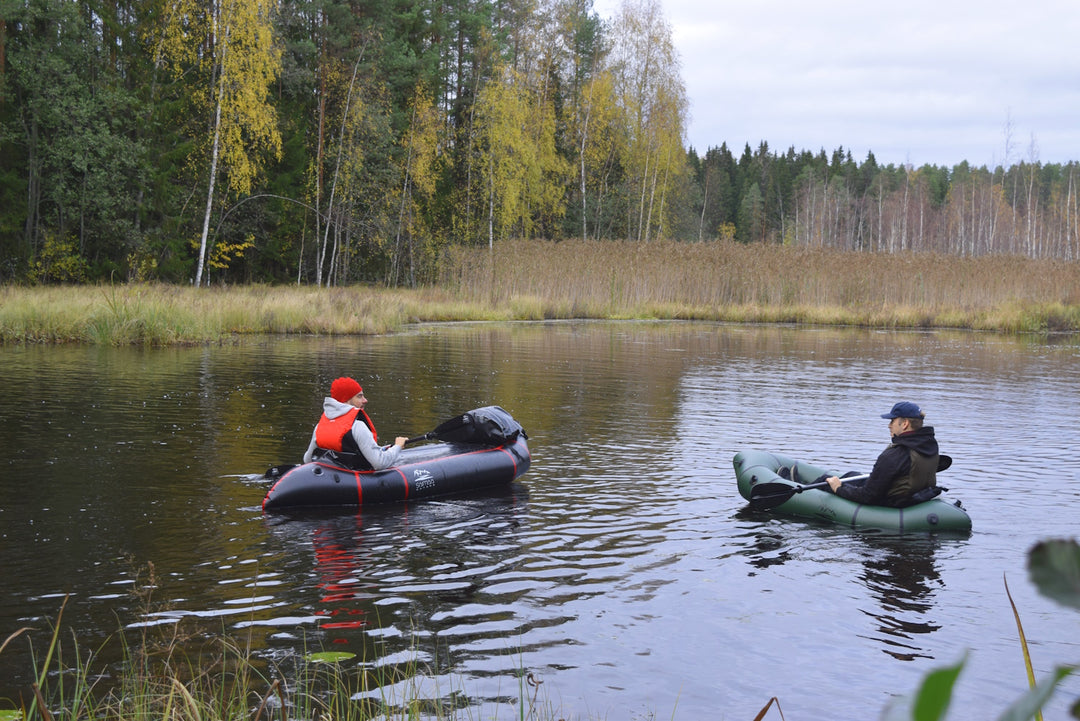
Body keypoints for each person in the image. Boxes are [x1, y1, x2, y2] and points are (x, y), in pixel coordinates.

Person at [825, 401, 940, 507]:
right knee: (852, 475)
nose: (889, 425)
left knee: (826, 481)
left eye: (892, 421)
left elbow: (867, 496)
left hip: (892, 502)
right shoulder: (930, 448)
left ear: (904, 424)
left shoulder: (895, 455)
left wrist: (838, 488)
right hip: (911, 498)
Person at [303, 377, 407, 470]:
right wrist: (397, 446)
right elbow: (379, 463)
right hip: (358, 482)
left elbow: (307, 460)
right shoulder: (358, 427)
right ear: (346, 400)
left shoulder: (320, 427)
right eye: (359, 396)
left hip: (333, 481)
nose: (365, 400)